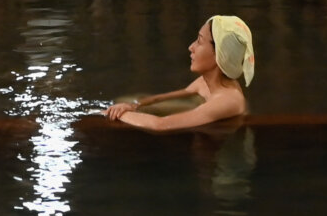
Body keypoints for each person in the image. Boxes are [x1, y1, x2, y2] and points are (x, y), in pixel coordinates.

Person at [105, 15, 255, 132]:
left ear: (220, 56)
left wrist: (113, 112)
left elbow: (161, 125)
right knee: (125, 99)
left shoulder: (227, 101)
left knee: (120, 105)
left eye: (199, 41)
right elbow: (159, 98)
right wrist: (132, 105)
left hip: (219, 162)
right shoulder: (206, 82)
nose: (191, 47)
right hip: (206, 144)